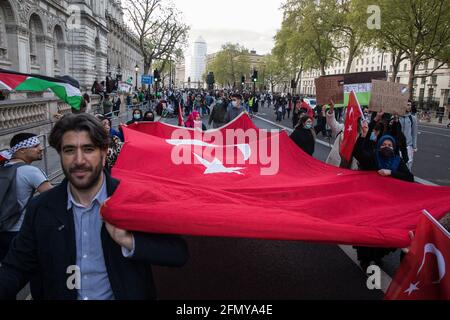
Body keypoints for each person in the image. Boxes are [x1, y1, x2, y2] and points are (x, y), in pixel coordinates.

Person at [0, 114, 189, 300]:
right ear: (60, 154)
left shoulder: (132, 198)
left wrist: (128, 240)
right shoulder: (40, 208)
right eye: (69, 150)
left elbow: (177, 252)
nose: (79, 160)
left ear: (104, 152)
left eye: (88, 149)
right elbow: (15, 268)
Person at [0, 134, 53, 262]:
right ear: (22, 150)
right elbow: (53, 198)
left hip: (3, 230)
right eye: (35, 146)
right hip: (21, 232)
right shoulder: (31, 171)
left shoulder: (3, 168)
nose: (41, 148)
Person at [399, 100, 418, 170]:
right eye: (407, 104)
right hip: (398, 146)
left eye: (410, 105)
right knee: (398, 165)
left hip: (408, 146)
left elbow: (414, 133)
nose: (409, 106)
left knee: (408, 165)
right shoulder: (397, 117)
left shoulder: (413, 118)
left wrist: (414, 146)